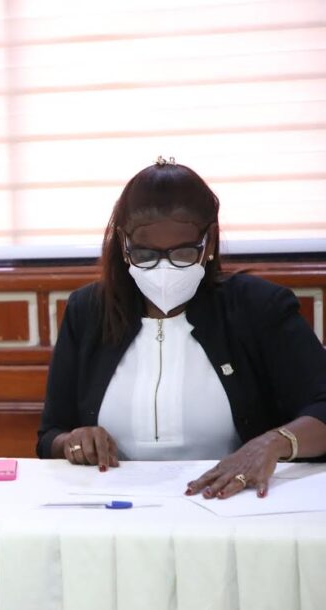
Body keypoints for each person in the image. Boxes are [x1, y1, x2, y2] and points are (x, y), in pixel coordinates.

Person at [37, 157, 326, 499]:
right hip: (113, 502)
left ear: (210, 243)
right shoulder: (88, 311)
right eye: (146, 254)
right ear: (124, 245)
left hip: (232, 502)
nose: (164, 269)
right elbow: (50, 435)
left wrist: (274, 443)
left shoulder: (258, 307)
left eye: (184, 253)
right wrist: (72, 442)